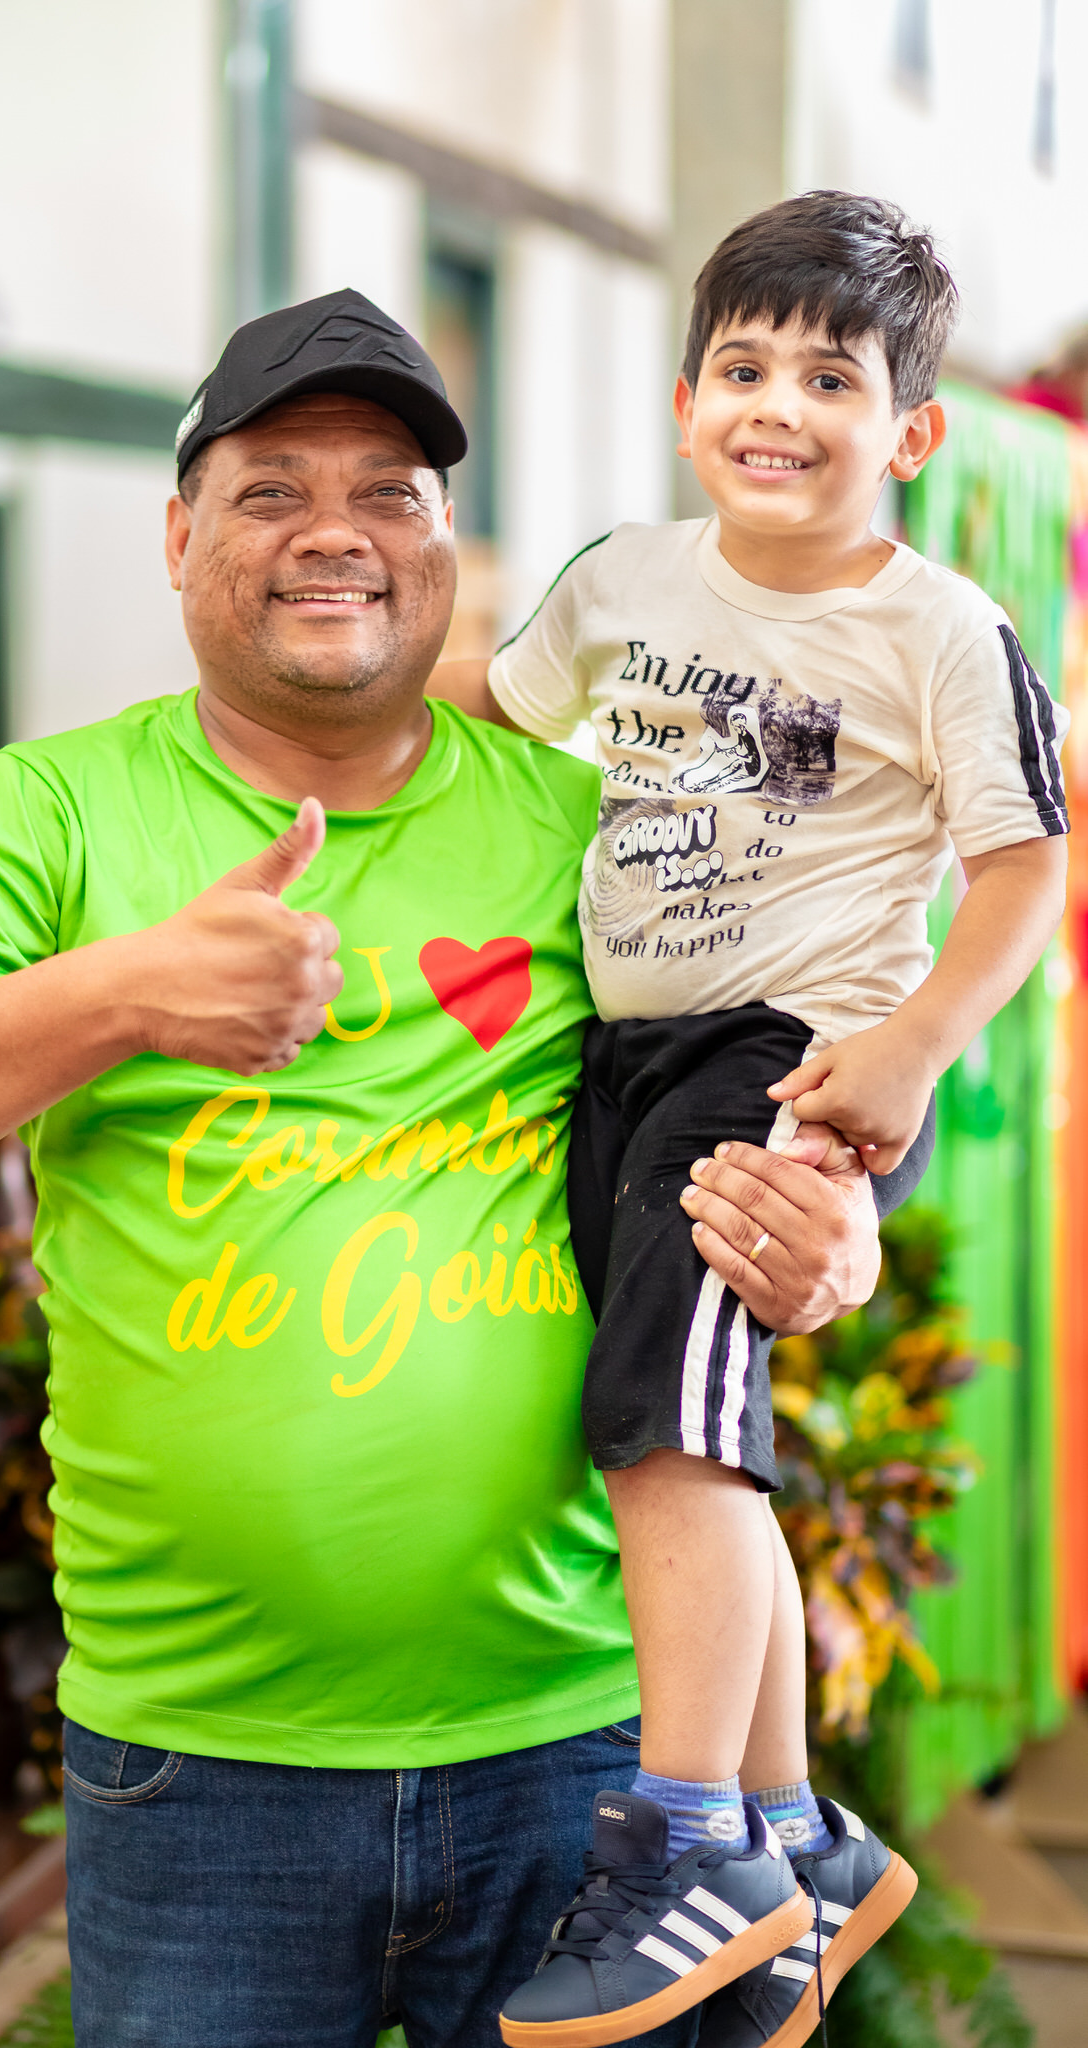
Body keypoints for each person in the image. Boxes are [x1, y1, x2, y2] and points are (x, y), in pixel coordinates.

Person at [0, 289, 893, 2048]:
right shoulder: (47, 815)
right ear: (178, 536)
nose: (334, 531)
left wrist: (837, 1234)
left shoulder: (586, 826)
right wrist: (127, 991)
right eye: (270, 489)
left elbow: (797, 1065)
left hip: (585, 1752)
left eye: (389, 492)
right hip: (200, 1779)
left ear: (444, 547)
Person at [430, 194, 1069, 2048]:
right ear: (685, 399)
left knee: (665, 1434)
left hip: (790, 1062)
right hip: (629, 1057)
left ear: (909, 429)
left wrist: (912, 1049)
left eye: (829, 378)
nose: (776, 406)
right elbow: (496, 724)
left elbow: (1024, 871)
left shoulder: (938, 629)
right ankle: (793, 1835)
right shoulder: (621, 582)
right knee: (687, 1429)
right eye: (741, 367)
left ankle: (686, 1839)